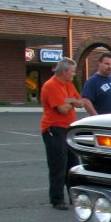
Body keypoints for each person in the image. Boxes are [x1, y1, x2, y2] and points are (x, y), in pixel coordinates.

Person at [40, 58, 84, 209]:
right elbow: (62, 109)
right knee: (58, 165)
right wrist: (72, 101)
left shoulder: (69, 84)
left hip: (69, 129)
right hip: (54, 129)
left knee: (73, 164)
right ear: (64, 72)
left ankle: (75, 198)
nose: (74, 74)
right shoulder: (51, 85)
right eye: (72, 71)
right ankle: (57, 199)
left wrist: (69, 100)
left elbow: (81, 102)